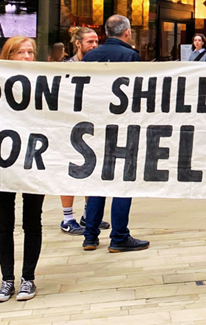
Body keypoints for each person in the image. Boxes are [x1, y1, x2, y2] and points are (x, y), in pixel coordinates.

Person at [80, 15, 150, 253]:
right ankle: (119, 236)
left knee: (97, 179)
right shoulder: (130, 56)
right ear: (127, 33)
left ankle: (90, 236)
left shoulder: (89, 56)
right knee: (122, 181)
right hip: (122, 126)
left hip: (94, 127)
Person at [0, 36, 45, 302]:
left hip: (35, 161)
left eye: (30, 52)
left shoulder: (43, 82)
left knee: (32, 221)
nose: (26, 56)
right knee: (4, 223)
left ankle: (28, 278)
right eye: (20, 52)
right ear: (8, 55)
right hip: (1, 162)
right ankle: (6, 279)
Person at [59, 26, 104, 234]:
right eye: (90, 42)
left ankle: (89, 215)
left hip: (92, 125)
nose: (94, 46)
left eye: (96, 42)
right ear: (78, 44)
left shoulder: (101, 66)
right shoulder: (66, 66)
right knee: (70, 172)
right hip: (69, 125)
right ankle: (67, 217)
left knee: (91, 170)